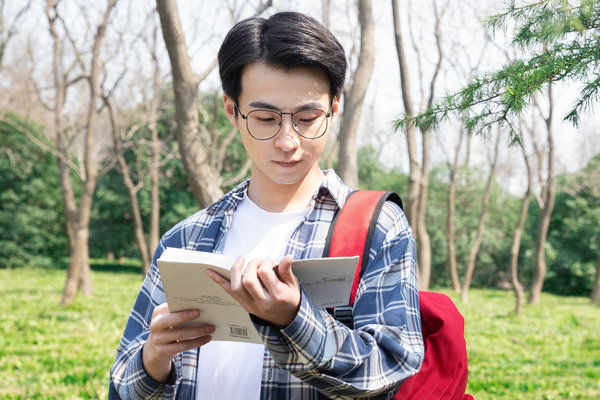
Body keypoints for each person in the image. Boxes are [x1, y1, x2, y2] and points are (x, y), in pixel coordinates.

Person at [109, 11, 423, 400]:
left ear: (335, 108)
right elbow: (120, 385)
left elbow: (390, 370)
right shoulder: (188, 237)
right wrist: (152, 359)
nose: (288, 141)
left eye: (308, 118)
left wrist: (293, 319)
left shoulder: (377, 227)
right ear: (231, 111)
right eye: (265, 118)